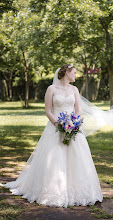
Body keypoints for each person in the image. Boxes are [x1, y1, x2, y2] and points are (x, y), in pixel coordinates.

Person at [0, 64, 103, 208]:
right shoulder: (51, 89)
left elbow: (78, 110)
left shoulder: (74, 89)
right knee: (54, 158)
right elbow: (48, 111)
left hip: (73, 127)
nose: (75, 75)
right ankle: (53, 191)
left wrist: (73, 124)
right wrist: (59, 125)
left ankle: (78, 190)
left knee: (78, 157)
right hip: (55, 128)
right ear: (67, 73)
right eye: (74, 72)